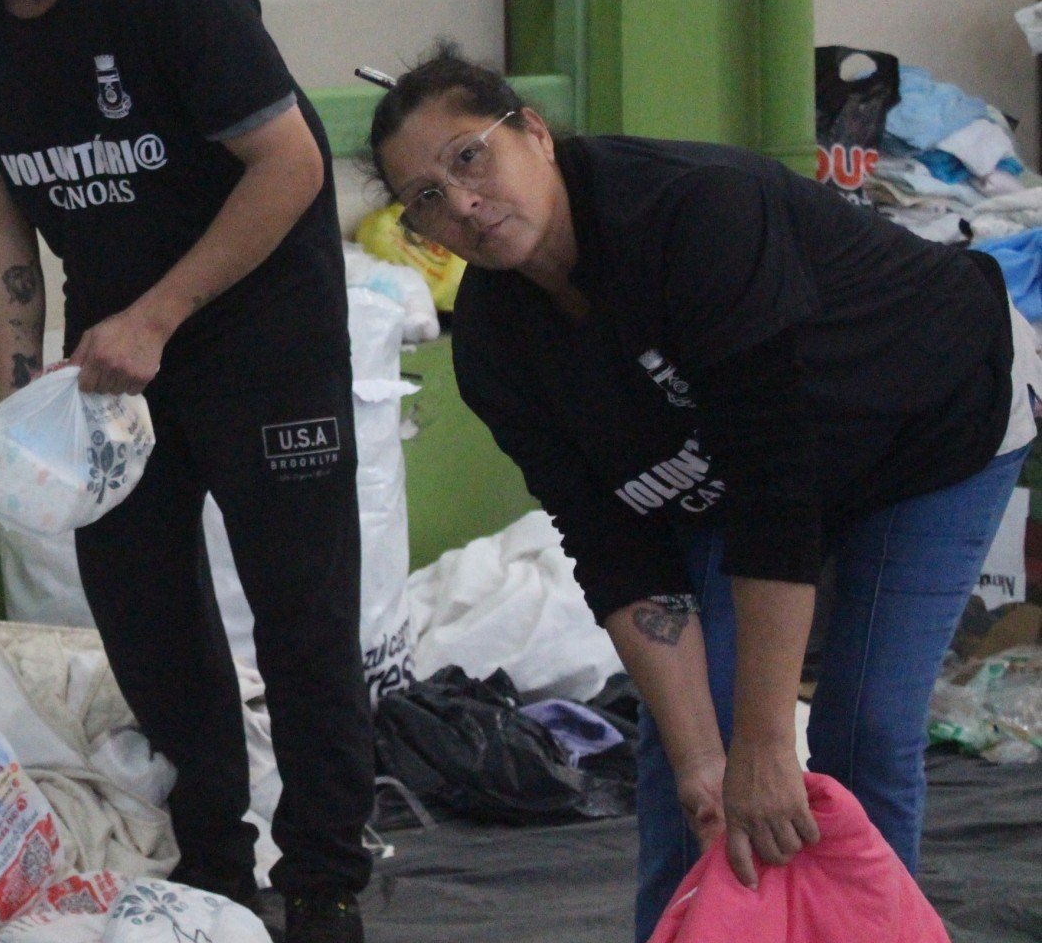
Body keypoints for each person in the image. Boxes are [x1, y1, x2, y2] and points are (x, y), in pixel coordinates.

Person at [366, 47, 1038, 942]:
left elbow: (775, 480)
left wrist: (765, 744)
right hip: (750, 470)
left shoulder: (688, 211)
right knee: (687, 760)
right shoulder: (496, 347)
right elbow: (611, 547)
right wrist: (702, 761)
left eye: (468, 157)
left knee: (861, 736)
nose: (462, 204)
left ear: (533, 131)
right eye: (425, 199)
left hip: (933, 423)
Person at [0, 0, 374, 943]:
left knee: (300, 611)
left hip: (259, 324)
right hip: (113, 353)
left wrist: (158, 314)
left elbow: (292, 164)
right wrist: (17, 367)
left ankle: (323, 879)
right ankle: (212, 864)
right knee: (145, 611)